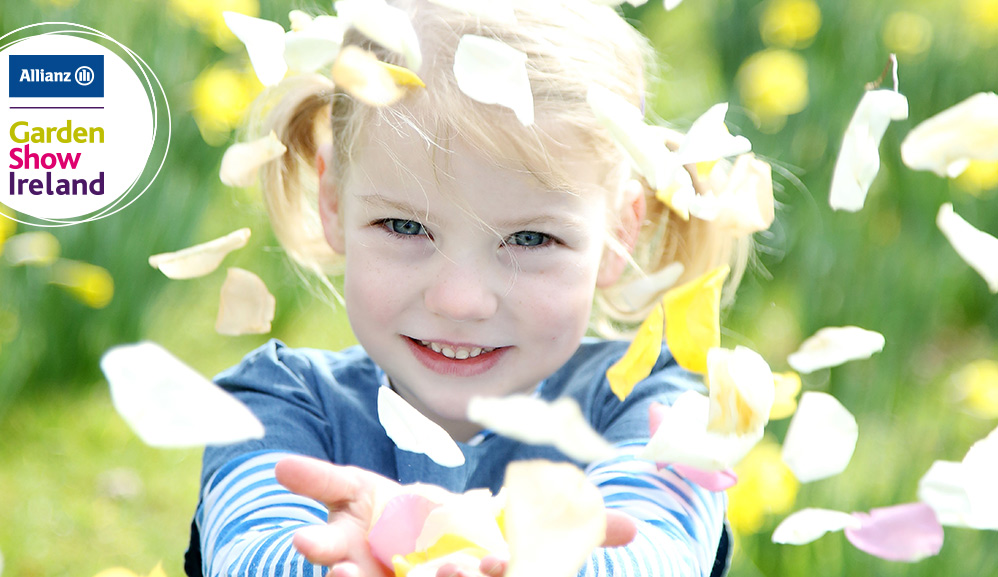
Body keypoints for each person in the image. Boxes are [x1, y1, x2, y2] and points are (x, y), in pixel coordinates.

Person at [186, 1, 751, 576]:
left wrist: (484, 551)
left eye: (530, 239)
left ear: (618, 235)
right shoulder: (276, 403)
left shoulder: (653, 410)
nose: (459, 300)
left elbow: (656, 557)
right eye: (406, 227)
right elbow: (248, 554)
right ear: (333, 200)